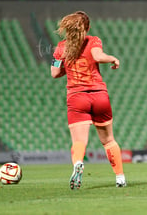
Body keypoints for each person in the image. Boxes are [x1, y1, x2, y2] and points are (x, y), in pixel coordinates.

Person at [51, 11, 126, 189]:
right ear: (88, 27)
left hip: (77, 98)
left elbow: (54, 73)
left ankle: (78, 163)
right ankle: (120, 178)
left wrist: (67, 68)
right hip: (99, 95)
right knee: (108, 140)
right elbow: (99, 57)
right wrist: (113, 59)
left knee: (79, 141)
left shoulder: (60, 48)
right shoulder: (93, 41)